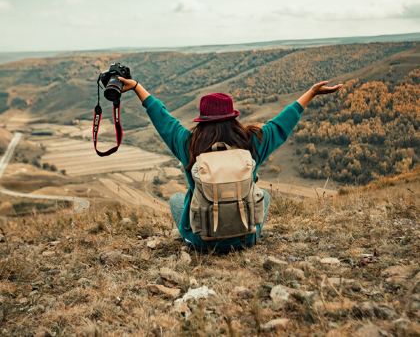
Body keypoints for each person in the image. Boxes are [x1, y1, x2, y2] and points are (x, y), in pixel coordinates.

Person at [118, 76, 342, 252]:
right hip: (246, 237)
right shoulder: (252, 142)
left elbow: (163, 118)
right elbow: (282, 123)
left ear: (202, 121)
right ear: (233, 117)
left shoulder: (188, 144)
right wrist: (311, 93)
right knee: (264, 194)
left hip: (201, 241)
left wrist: (137, 87)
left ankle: (195, 235)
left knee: (177, 199)